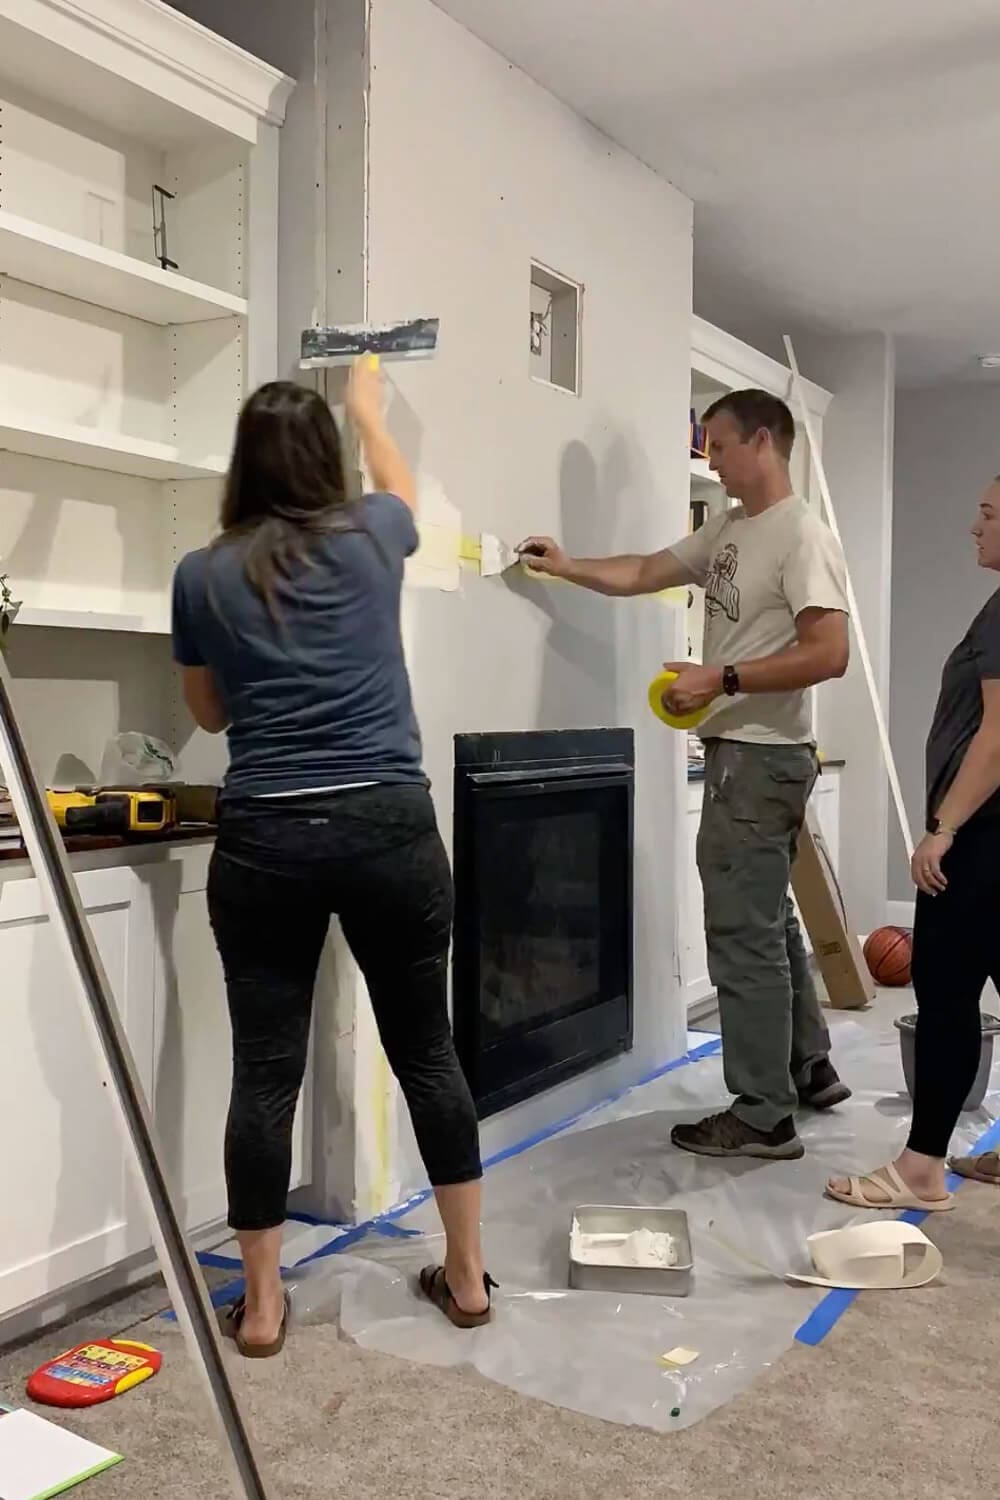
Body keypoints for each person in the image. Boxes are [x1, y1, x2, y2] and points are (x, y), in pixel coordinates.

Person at [171, 361, 494, 1357]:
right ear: (324, 460)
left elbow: (208, 712)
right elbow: (399, 490)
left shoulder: (203, 572)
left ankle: (263, 1307)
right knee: (426, 1049)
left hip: (266, 835)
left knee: (265, 1074)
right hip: (387, 826)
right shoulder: (371, 534)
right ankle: (469, 1279)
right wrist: (369, 412)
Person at [520, 389, 850, 1161]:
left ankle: (764, 1115)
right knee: (770, 924)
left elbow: (828, 654)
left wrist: (720, 679)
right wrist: (566, 567)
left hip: (762, 758)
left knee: (742, 937)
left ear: (762, 441)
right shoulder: (733, 529)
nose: (710, 459)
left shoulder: (802, 536)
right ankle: (808, 1068)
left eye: (720, 445)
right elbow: (644, 568)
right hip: (747, 756)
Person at [828, 478, 1000, 1211]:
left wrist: (945, 827)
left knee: (948, 997)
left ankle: (921, 1169)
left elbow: (998, 735)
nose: (973, 526)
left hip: (984, 837)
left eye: (988, 513)